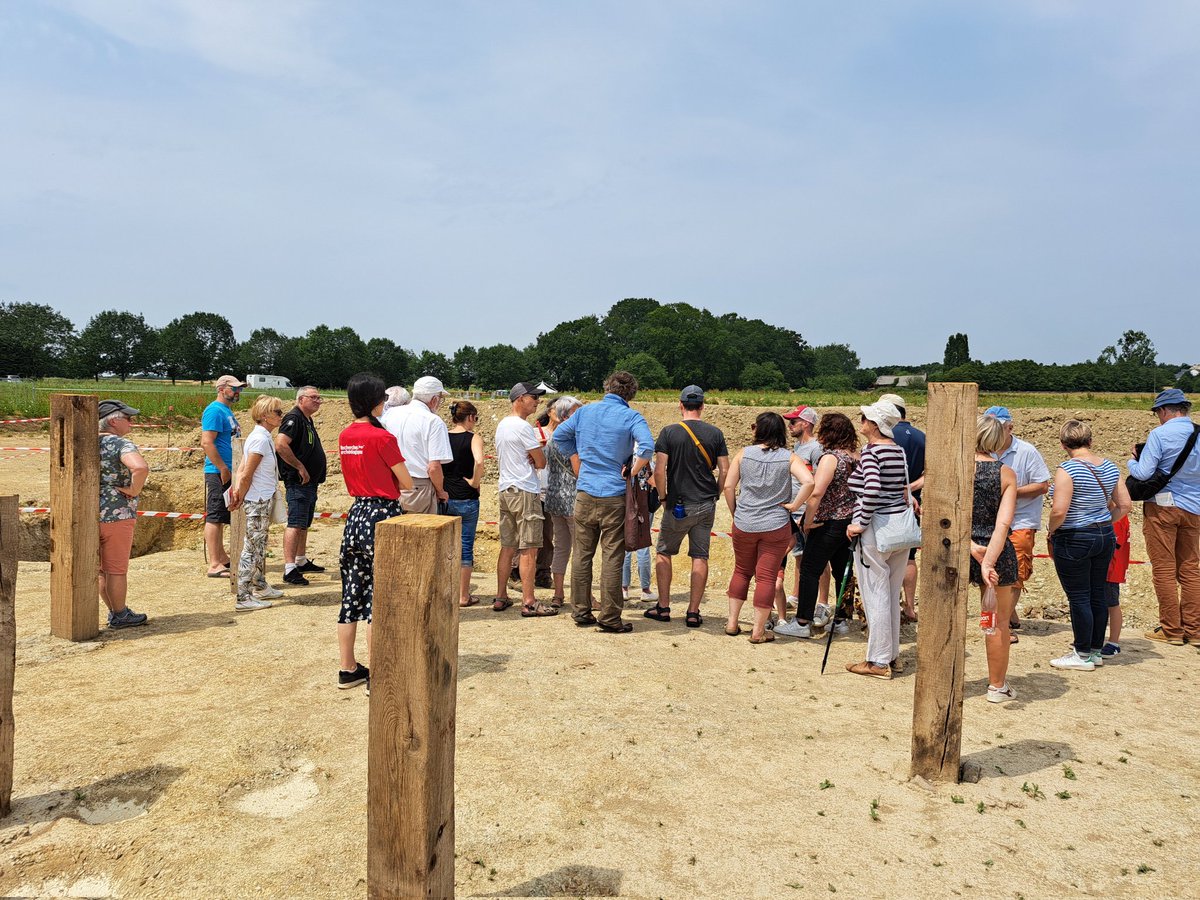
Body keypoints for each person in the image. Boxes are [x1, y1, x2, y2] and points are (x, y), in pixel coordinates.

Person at [552, 371, 654, 634]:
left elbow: (559, 437)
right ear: (631, 393)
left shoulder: (584, 412)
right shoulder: (631, 417)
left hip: (584, 492)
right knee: (612, 557)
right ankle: (609, 617)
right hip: (614, 495)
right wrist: (632, 471)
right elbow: (646, 447)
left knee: (582, 554)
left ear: (606, 387)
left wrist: (577, 456)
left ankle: (581, 610)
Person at [337, 373, 413, 692]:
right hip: (382, 515)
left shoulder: (344, 435)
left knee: (351, 594)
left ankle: (347, 668)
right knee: (378, 599)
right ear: (375, 402)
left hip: (356, 515)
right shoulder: (382, 438)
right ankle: (378, 674)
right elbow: (407, 482)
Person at [1047, 420, 1132, 671]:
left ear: (1063, 444)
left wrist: (1052, 530)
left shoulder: (1067, 470)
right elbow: (1124, 505)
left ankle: (1081, 652)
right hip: (1104, 535)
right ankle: (1095, 650)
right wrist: (1106, 521)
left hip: (1075, 536)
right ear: (1090, 441)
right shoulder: (1109, 466)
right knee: (1097, 593)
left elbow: (1059, 509)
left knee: (1079, 596)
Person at [724, 412, 814, 642]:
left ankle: (732, 623)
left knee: (741, 571)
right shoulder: (789, 457)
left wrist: (736, 512)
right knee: (766, 577)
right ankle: (758, 631)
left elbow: (728, 486)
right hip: (775, 523)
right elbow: (809, 481)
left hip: (745, 522)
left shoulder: (743, 454)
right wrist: (794, 505)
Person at [651, 385, 729, 627]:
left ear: (681, 405)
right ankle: (693, 612)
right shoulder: (715, 433)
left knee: (664, 552)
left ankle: (663, 607)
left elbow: (659, 469)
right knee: (700, 556)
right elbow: (725, 469)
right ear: (703, 406)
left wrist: (663, 497)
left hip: (677, 503)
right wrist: (715, 493)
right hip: (705, 502)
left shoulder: (668, 432)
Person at [1128, 388, 1200, 645]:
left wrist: (1132, 462)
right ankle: (1194, 629)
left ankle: (1171, 629)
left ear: (1165, 410)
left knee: (1164, 568)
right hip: (1194, 508)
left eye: (1158, 411)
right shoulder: (1198, 433)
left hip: (1161, 508)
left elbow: (1144, 473)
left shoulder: (1159, 434)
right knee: (1191, 569)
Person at [844, 401, 910, 679]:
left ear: (874, 424)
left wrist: (859, 523)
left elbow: (871, 489)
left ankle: (878, 660)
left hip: (875, 528)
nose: (861, 421)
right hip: (899, 529)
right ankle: (891, 655)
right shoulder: (898, 451)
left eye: (865, 418)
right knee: (891, 593)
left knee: (875, 594)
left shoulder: (872, 452)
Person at [983, 406, 1051, 638]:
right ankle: (1000, 619)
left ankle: (1001, 625)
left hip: (1020, 520)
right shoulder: (983, 451)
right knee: (990, 575)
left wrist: (1010, 492)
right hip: (990, 523)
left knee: (1014, 575)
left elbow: (1043, 485)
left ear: (1009, 428)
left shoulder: (1027, 451)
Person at [793, 413, 860, 637]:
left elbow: (817, 492)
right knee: (843, 573)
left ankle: (802, 621)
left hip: (829, 521)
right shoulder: (855, 456)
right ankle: (841, 619)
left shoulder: (831, 458)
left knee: (810, 569)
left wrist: (808, 520)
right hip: (849, 521)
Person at [493, 382, 556, 617]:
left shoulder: (502, 425)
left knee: (508, 547)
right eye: (533, 397)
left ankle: (501, 595)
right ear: (519, 398)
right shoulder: (523, 427)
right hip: (525, 490)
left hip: (506, 489)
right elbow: (541, 462)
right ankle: (529, 601)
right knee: (530, 548)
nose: (537, 401)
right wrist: (535, 456)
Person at [969, 415, 1020, 702]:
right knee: (996, 622)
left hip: (958, 550)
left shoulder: (957, 469)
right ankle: (997, 686)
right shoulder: (1006, 473)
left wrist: (968, 545)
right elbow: (1003, 523)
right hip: (996, 553)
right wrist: (988, 560)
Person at [229, 395, 286, 611]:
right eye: (277, 412)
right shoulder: (260, 439)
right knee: (252, 547)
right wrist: (238, 496)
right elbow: (245, 473)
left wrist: (238, 493)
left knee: (259, 545)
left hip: (261, 497)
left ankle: (259, 585)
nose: (281, 415)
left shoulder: (261, 436)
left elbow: (242, 470)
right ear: (264, 416)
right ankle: (243, 596)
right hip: (259, 498)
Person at [97, 399, 149, 628]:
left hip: (91, 512)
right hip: (117, 514)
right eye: (127, 418)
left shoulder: (85, 442)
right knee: (116, 569)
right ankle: (120, 614)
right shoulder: (120, 444)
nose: (131, 422)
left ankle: (115, 611)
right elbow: (140, 467)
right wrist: (133, 490)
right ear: (113, 420)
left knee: (101, 568)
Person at [777, 404, 827, 628]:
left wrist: (809, 511)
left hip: (808, 512)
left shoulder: (816, 449)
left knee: (817, 560)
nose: (790, 426)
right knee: (799, 556)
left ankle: (822, 603)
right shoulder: (798, 447)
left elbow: (819, 481)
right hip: (795, 511)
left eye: (794, 422)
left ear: (805, 424)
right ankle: (797, 596)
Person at [879, 393, 925, 624]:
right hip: (913, 505)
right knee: (908, 557)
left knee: (883, 556)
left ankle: (887, 605)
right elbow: (932, 472)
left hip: (885, 505)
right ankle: (909, 605)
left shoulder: (884, 437)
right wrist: (911, 487)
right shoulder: (921, 437)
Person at [275, 386, 327, 586]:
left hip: (309, 481)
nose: (318, 400)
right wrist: (299, 467)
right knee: (296, 522)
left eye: (319, 397)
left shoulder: (306, 419)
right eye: (314, 397)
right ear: (301, 399)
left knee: (304, 522)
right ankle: (289, 568)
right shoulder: (294, 419)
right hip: (298, 481)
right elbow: (281, 444)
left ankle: (301, 560)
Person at [381, 375, 452, 515]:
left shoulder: (390, 414)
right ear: (434, 400)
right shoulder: (433, 421)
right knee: (420, 534)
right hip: (418, 486)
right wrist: (440, 491)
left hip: (390, 483)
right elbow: (434, 467)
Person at [200, 374, 244, 577]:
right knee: (215, 516)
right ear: (221, 389)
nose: (237, 392)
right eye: (234, 388)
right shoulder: (214, 411)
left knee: (221, 515)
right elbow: (207, 442)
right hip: (218, 471)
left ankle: (222, 557)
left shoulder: (226, 411)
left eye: (239, 389)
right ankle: (215, 563)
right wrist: (222, 468)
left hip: (227, 470)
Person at [444, 400, 485, 607]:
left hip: (445, 496)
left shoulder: (443, 436)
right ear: (470, 417)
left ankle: (445, 592)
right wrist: (475, 482)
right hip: (466, 497)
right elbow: (479, 461)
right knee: (465, 547)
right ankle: (463, 595)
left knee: (444, 548)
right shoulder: (473, 438)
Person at [543, 395, 583, 607]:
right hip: (572, 498)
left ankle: (558, 594)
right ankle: (582, 596)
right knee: (581, 549)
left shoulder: (552, 437)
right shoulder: (572, 439)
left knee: (561, 548)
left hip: (554, 496)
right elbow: (578, 471)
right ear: (567, 414)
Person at [622, 453, 657, 603]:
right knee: (643, 546)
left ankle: (623, 588)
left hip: (626, 504)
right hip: (644, 507)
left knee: (625, 545)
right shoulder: (649, 464)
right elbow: (656, 483)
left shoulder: (624, 460)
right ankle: (645, 589)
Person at [1101, 514, 1131, 659]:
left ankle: (1114, 642)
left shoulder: (1118, 516)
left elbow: (1114, 544)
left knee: (1112, 604)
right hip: (1105, 567)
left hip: (1111, 569)